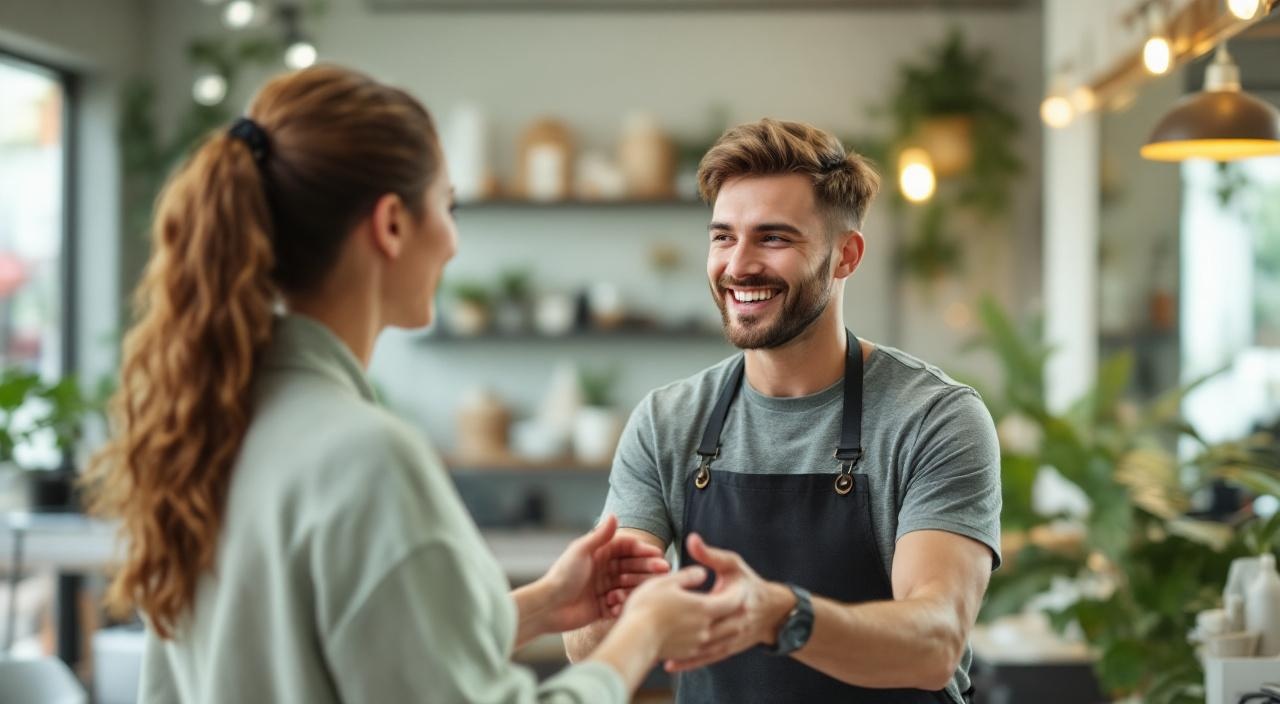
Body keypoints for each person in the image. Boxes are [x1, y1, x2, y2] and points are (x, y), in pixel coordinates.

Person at [82, 65, 744, 704]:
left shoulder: (204, 428)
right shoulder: (367, 458)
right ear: (392, 223)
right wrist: (641, 635)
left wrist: (543, 605)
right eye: (447, 207)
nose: (454, 243)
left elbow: (343, 654)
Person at [564, 119, 1002, 704]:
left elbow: (935, 642)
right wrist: (595, 606)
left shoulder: (932, 419)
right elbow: (591, 648)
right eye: (723, 237)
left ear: (846, 255)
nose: (738, 265)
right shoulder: (668, 421)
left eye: (772, 238)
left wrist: (779, 615)